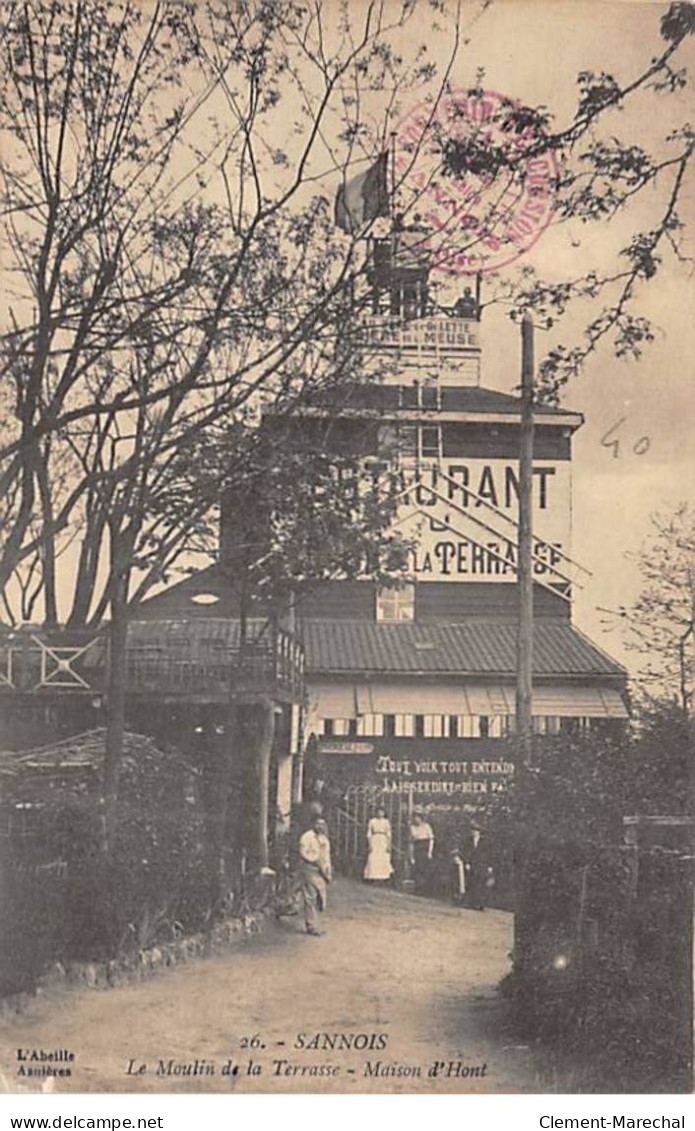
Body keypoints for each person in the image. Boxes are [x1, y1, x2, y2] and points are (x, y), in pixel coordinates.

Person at [298, 814, 332, 936]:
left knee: (321, 897)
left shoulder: (324, 839)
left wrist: (328, 870)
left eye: (322, 824)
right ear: (313, 824)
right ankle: (311, 926)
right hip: (310, 868)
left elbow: (326, 856)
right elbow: (303, 853)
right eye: (318, 823)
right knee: (310, 897)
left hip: (321, 870)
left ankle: (284, 908)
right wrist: (313, 860)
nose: (320, 826)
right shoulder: (307, 837)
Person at [363, 805, 393, 883]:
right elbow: (369, 833)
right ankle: (372, 876)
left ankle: (383, 877)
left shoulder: (386, 822)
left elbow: (389, 834)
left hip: (383, 840)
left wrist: (389, 845)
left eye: (382, 812)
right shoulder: (372, 821)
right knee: (373, 857)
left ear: (384, 813)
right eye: (378, 812)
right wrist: (369, 844)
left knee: (383, 857)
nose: (380, 813)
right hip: (375, 839)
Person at [409, 811, 435, 894]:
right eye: (414, 818)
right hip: (417, 847)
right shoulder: (412, 827)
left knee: (425, 869)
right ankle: (418, 889)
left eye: (418, 818)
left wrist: (429, 852)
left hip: (425, 847)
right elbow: (412, 841)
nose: (416, 820)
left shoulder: (427, 826)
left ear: (421, 818)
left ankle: (426, 889)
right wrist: (411, 856)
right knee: (418, 869)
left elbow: (431, 839)